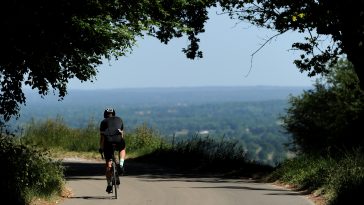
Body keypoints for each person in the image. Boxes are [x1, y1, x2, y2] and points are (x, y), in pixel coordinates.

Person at [99, 107, 126, 193]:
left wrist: (101, 148)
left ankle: (109, 184)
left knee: (108, 164)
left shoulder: (103, 122)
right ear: (114, 114)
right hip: (118, 140)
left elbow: (102, 138)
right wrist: (121, 142)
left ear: (105, 115)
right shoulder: (120, 120)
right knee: (122, 148)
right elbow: (122, 134)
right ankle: (121, 164)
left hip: (108, 141)